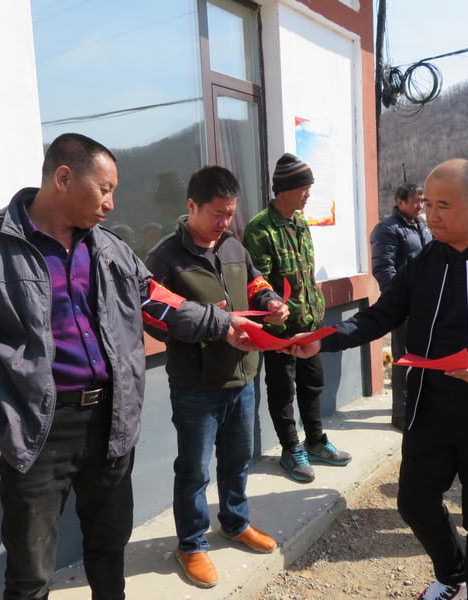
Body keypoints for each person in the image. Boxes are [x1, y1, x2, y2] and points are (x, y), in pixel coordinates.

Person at [0, 133, 253, 600]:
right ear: (63, 178)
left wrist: (222, 323)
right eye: (105, 189)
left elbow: (157, 300)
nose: (112, 204)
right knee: (30, 574)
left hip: (111, 422)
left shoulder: (110, 249)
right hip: (37, 429)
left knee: (109, 549)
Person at [286, 159, 468, 600]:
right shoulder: (423, 263)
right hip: (431, 410)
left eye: (443, 206)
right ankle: (455, 576)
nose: (430, 215)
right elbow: (379, 317)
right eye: (427, 204)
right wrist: (322, 340)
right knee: (414, 503)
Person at [144, 166, 287, 589]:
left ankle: (235, 522)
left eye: (230, 214)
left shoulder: (232, 246)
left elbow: (256, 282)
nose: (225, 222)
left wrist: (271, 301)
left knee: (238, 459)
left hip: (243, 376)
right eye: (217, 214)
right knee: (194, 470)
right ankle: (190, 543)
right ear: (192, 206)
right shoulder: (165, 257)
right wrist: (205, 327)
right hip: (196, 385)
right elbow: (152, 319)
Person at [243, 153, 352, 484]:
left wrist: (315, 312)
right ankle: (291, 449)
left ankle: (315, 441)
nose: (308, 194)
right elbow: (257, 283)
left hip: (310, 325)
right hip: (280, 331)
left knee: (312, 384)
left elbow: (305, 274)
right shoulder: (261, 228)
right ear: (285, 189)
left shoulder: (301, 224)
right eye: (304, 187)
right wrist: (276, 320)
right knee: (281, 391)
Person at [370, 182, 432, 431]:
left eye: (422, 201)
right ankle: (401, 412)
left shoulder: (421, 225)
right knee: (404, 357)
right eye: (415, 201)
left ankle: (419, 404)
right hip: (404, 305)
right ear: (400, 202)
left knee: (424, 355)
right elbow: (384, 269)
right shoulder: (387, 229)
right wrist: (400, 300)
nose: (420, 206)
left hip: (425, 302)